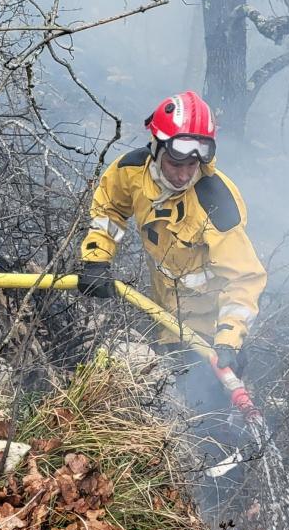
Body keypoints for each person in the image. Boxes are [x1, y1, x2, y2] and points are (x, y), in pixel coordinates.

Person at [76, 91, 267, 379]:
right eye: (176, 164)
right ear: (156, 148)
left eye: (192, 166)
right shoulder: (130, 172)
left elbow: (244, 279)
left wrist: (229, 340)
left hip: (209, 336)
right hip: (164, 318)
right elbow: (109, 211)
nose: (183, 175)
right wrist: (96, 260)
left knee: (206, 413)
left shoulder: (215, 204)